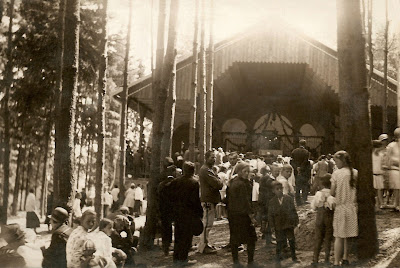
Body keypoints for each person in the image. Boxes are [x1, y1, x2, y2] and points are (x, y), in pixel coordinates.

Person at [170, 161, 203, 266]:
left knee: (178, 236)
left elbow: (172, 198)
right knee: (187, 237)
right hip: (189, 213)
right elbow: (195, 200)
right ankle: (183, 259)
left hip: (177, 213)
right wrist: (199, 213)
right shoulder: (194, 183)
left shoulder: (175, 182)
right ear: (193, 171)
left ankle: (176, 258)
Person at [226, 162, 258, 267]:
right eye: (245, 171)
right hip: (242, 215)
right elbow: (245, 201)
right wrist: (252, 217)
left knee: (234, 238)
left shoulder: (233, 182)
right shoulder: (242, 184)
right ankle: (250, 262)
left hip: (233, 214)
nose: (247, 173)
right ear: (239, 172)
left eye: (248, 171)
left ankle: (236, 262)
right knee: (251, 238)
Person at [331, 151, 358, 267]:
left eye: (336, 161)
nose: (336, 164)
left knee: (338, 235)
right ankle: (345, 258)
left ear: (342, 161)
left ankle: (336, 262)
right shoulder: (355, 173)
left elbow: (332, 192)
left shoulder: (337, 173)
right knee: (347, 234)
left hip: (340, 207)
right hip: (352, 207)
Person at [197, 150, 223, 254]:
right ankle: (203, 246)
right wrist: (219, 179)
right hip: (208, 200)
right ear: (206, 158)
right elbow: (218, 184)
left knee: (208, 223)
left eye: (215, 157)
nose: (214, 159)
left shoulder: (209, 169)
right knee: (207, 224)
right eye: (212, 157)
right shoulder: (205, 170)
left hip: (210, 199)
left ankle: (204, 243)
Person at [268, 181, 299, 266]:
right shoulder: (272, 202)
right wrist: (272, 226)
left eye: (281, 188)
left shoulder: (288, 199)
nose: (280, 191)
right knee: (279, 241)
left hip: (288, 223)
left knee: (292, 240)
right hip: (278, 224)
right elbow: (270, 215)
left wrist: (296, 221)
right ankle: (278, 258)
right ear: (273, 191)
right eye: (277, 189)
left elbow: (293, 210)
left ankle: (294, 257)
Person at [310, 175, 335, 266]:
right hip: (329, 217)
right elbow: (333, 205)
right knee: (328, 238)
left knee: (318, 238)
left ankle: (315, 259)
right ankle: (326, 259)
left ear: (321, 184)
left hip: (320, 217)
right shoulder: (332, 194)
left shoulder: (318, 194)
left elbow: (313, 206)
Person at [157, 164, 177, 255]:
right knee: (177, 227)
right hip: (174, 209)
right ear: (173, 173)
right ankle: (176, 246)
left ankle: (166, 246)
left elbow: (158, 198)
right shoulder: (176, 183)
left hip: (163, 209)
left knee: (166, 228)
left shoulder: (161, 185)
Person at [384, 128, 400, 211]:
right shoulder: (391, 146)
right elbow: (387, 157)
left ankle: (397, 203)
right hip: (394, 169)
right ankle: (395, 204)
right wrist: (388, 165)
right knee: (397, 187)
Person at [291, 139, 311, 205]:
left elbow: (291, 161)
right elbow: (305, 161)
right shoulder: (306, 152)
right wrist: (301, 168)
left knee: (297, 187)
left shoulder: (294, 151)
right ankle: (304, 200)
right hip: (304, 172)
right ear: (305, 144)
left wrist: (296, 167)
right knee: (304, 186)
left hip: (296, 171)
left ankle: (298, 201)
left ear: (299, 144)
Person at [372, 140, 386, 209]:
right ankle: (376, 204)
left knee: (380, 189)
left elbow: (383, 164)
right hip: (373, 174)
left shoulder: (381, 155)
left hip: (380, 174)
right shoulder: (371, 155)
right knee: (374, 190)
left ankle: (381, 203)